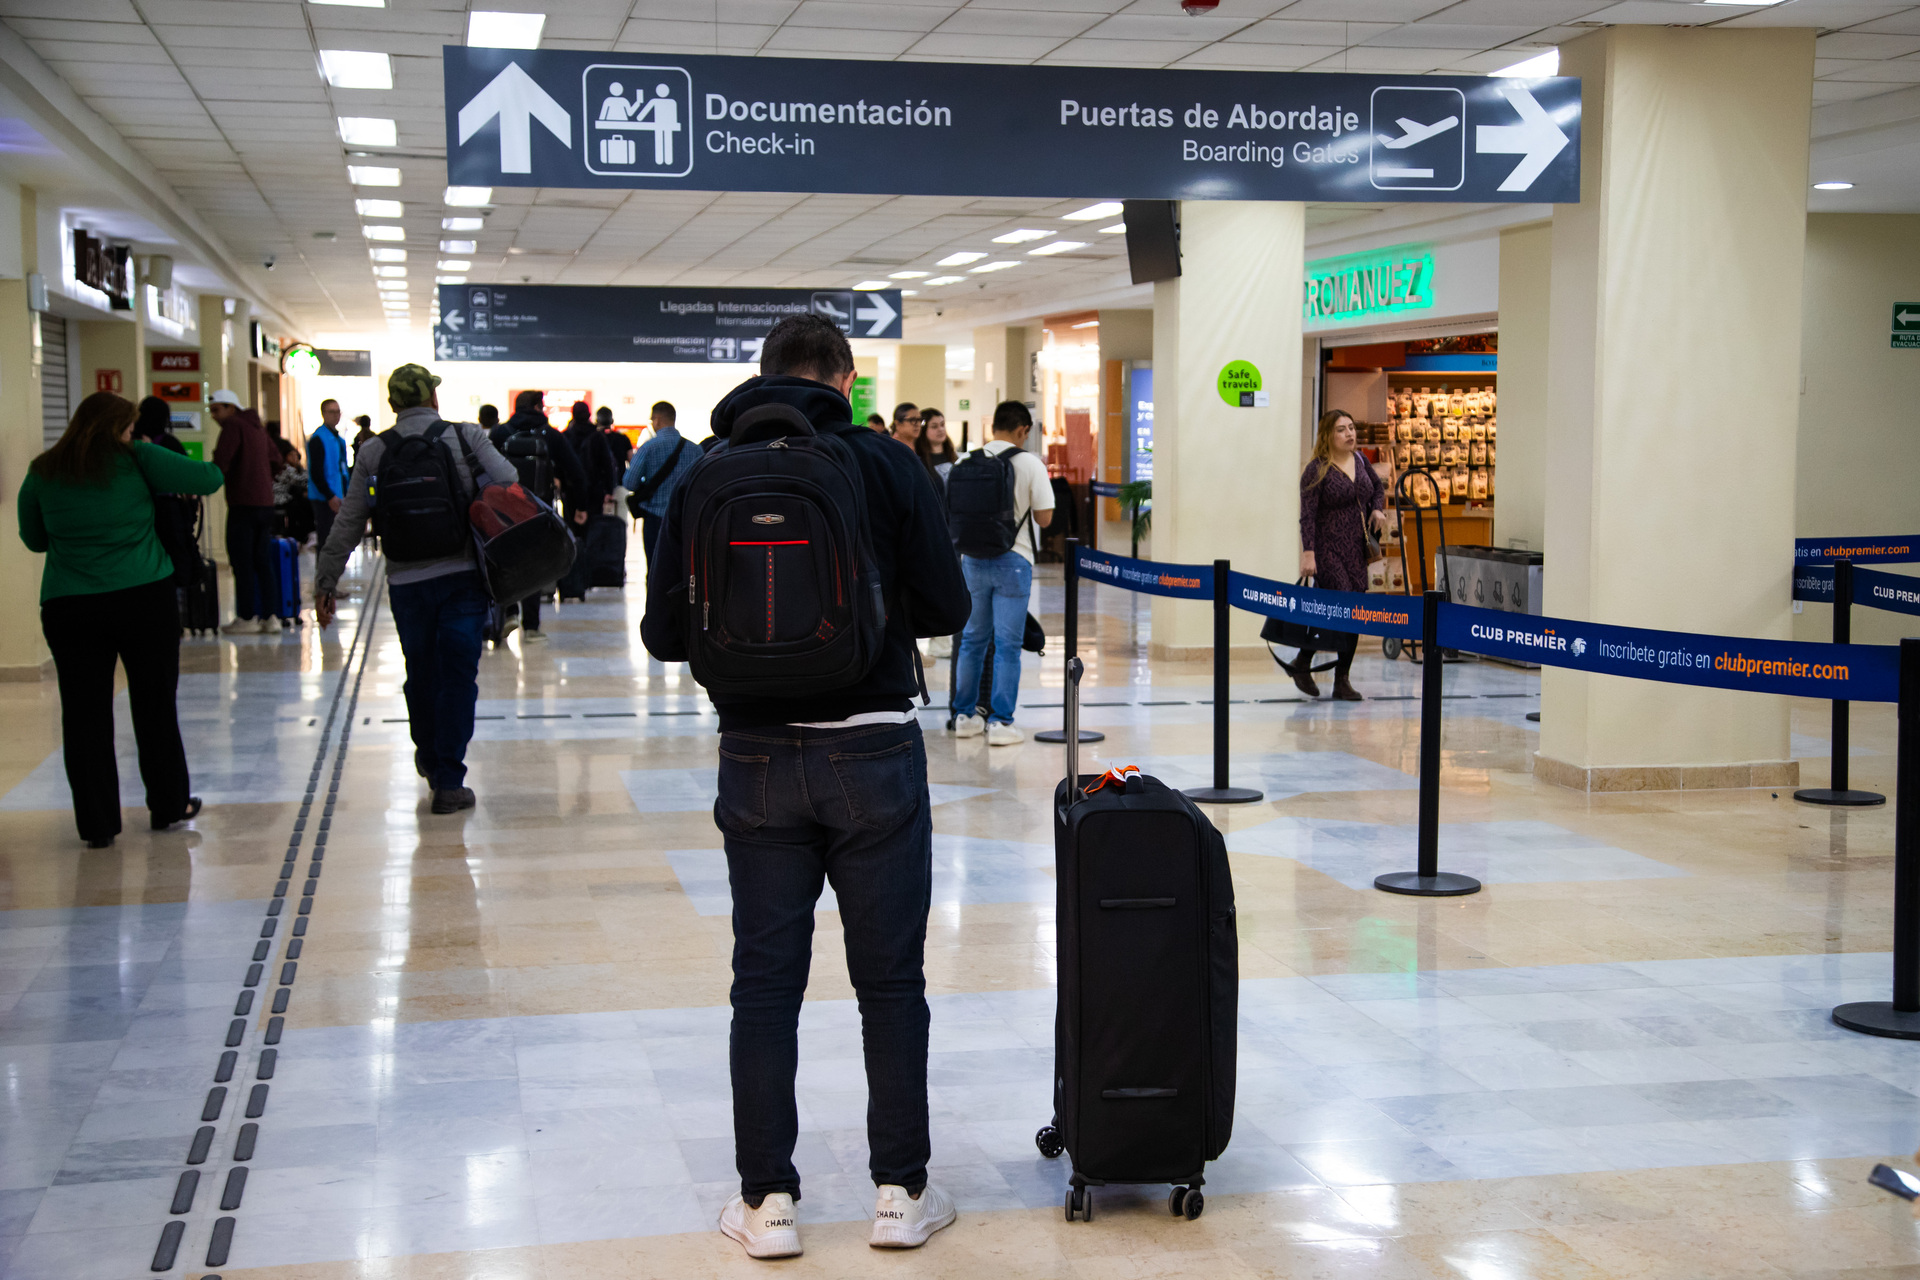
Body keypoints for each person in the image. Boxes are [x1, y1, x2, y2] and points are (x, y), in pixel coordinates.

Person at [641, 314, 970, 1260]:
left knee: (765, 984)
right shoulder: (886, 461)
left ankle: (769, 1206)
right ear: (845, 379)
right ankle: (900, 1195)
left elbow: (663, 634)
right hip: (872, 747)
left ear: (763, 373)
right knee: (890, 982)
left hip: (753, 753)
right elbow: (947, 605)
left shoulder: (706, 469)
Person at [16, 391, 224, 847]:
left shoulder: (44, 469)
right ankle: (169, 804)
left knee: (84, 716)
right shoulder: (138, 458)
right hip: (143, 599)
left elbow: (34, 538)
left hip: (70, 605)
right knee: (155, 705)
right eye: (129, 427)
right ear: (119, 428)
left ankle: (97, 824)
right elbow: (209, 478)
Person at [314, 364, 519, 814]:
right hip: (462, 576)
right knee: (458, 676)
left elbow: (349, 520)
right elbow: (508, 478)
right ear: (433, 398)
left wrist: (325, 581)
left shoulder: (374, 449)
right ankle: (449, 779)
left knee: (421, 671)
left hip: (406, 582)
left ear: (393, 405)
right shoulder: (465, 435)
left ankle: (428, 753)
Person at [950, 401, 1053, 746]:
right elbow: (1044, 519)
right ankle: (1001, 722)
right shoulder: (1030, 463)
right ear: (1023, 430)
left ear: (993, 427)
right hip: (1014, 560)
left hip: (972, 559)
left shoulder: (966, 461)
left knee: (972, 641)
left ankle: (964, 716)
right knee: (1007, 646)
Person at [1297, 408, 1389, 702]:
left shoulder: (1360, 460)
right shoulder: (1316, 469)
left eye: (1351, 428)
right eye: (1341, 429)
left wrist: (1378, 509)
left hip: (1356, 550)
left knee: (1352, 611)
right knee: (1342, 605)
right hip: (1328, 549)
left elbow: (1377, 489)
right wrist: (1308, 553)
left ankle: (1338, 678)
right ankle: (1305, 662)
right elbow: (1307, 516)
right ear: (1328, 435)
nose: (1349, 434)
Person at [493, 389, 587, 641]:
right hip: (537, 508)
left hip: (503, 509)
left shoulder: (501, 433)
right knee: (533, 564)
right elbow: (575, 471)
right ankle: (532, 627)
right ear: (537, 407)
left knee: (506, 560)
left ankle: (510, 612)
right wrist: (580, 505)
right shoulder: (550, 435)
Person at [210, 388, 279, 635]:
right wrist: (263, 481)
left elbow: (221, 462)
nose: (213, 416)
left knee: (242, 562)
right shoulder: (257, 428)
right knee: (263, 561)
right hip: (265, 504)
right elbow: (276, 459)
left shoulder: (233, 425)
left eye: (216, 410)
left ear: (231, 407)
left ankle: (247, 617)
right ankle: (271, 617)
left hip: (243, 504)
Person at [622, 400, 699, 566]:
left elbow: (629, 483)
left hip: (655, 519)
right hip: (684, 519)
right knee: (682, 567)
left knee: (655, 567)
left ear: (656, 420)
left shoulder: (648, 448)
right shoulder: (695, 450)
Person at [307, 398, 350, 549]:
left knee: (337, 539)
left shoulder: (338, 439)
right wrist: (329, 496)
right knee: (326, 540)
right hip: (324, 498)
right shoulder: (318, 438)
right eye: (332, 412)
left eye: (338, 412)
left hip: (338, 495)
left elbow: (341, 469)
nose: (336, 415)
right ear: (323, 414)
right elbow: (316, 472)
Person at [272, 437, 313, 544]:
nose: (294, 458)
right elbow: (299, 479)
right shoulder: (286, 468)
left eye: (296, 455)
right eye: (291, 455)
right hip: (280, 498)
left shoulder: (297, 469)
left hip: (287, 497)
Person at [914, 407, 956, 485]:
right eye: (934, 426)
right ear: (923, 430)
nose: (940, 429)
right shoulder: (918, 461)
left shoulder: (955, 457)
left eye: (942, 425)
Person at [597, 405, 633, 472]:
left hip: (598, 477)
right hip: (619, 477)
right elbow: (632, 462)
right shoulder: (623, 438)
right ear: (612, 421)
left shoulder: (593, 440)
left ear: (597, 421)